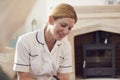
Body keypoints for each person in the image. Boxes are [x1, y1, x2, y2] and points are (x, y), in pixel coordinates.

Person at [13, 3, 77, 80]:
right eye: (63, 25)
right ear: (51, 20)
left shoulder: (66, 45)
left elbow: (63, 78)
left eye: (70, 28)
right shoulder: (25, 41)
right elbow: (23, 78)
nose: (66, 32)